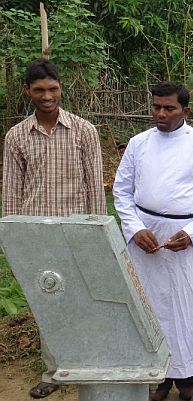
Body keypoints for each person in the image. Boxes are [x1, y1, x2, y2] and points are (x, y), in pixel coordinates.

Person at [112, 81, 193, 401]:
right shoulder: (138, 144)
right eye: (155, 107)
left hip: (185, 239)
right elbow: (121, 192)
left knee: (188, 307)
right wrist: (134, 228)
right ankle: (156, 377)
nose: (160, 114)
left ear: (185, 111)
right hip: (144, 236)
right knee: (147, 305)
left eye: (168, 108)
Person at [2, 58, 107, 398]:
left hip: (77, 231)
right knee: (47, 301)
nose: (47, 96)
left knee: (84, 300)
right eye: (39, 90)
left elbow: (95, 187)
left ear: (61, 88)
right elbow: (11, 193)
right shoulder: (16, 136)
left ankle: (88, 364)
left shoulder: (84, 130)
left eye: (52, 89)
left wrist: (97, 233)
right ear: (27, 92)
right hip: (36, 235)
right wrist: (12, 240)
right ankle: (54, 371)